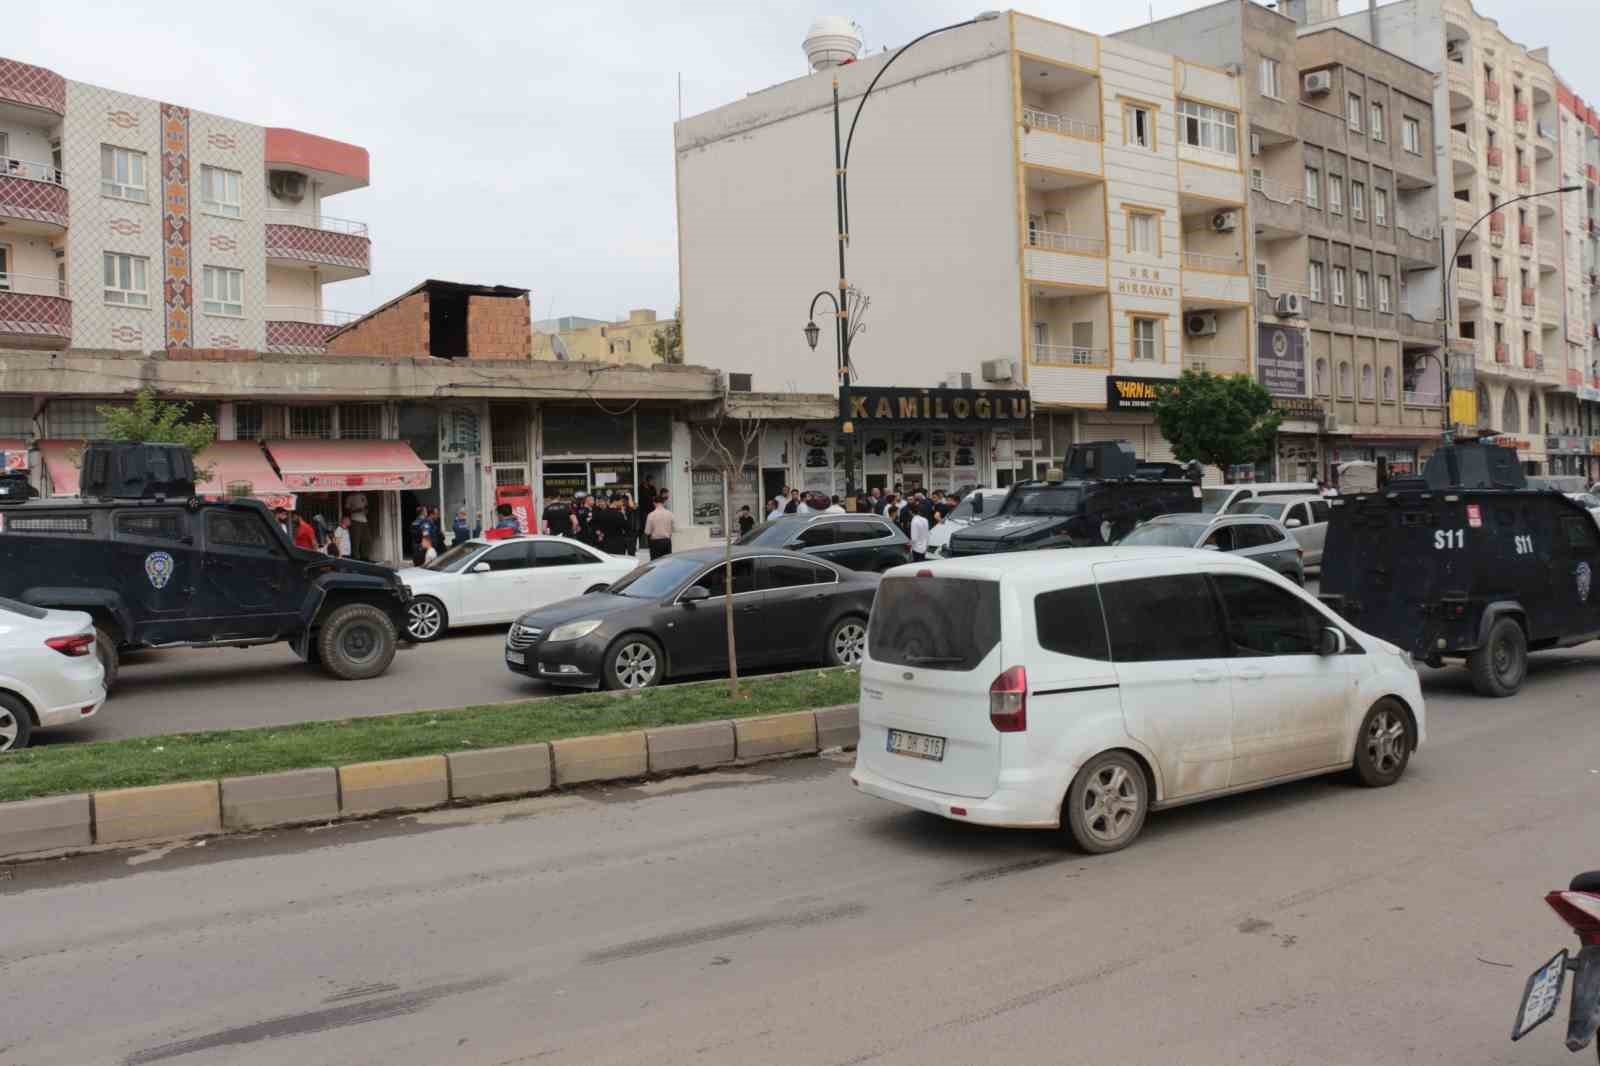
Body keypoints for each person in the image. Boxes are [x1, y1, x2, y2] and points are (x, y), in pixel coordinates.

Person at [644, 493, 675, 559]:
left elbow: (647, 532)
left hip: (655, 542)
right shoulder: (670, 514)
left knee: (656, 562)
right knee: (667, 562)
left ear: (654, 503)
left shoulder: (651, 515)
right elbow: (673, 529)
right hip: (667, 541)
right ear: (664, 503)